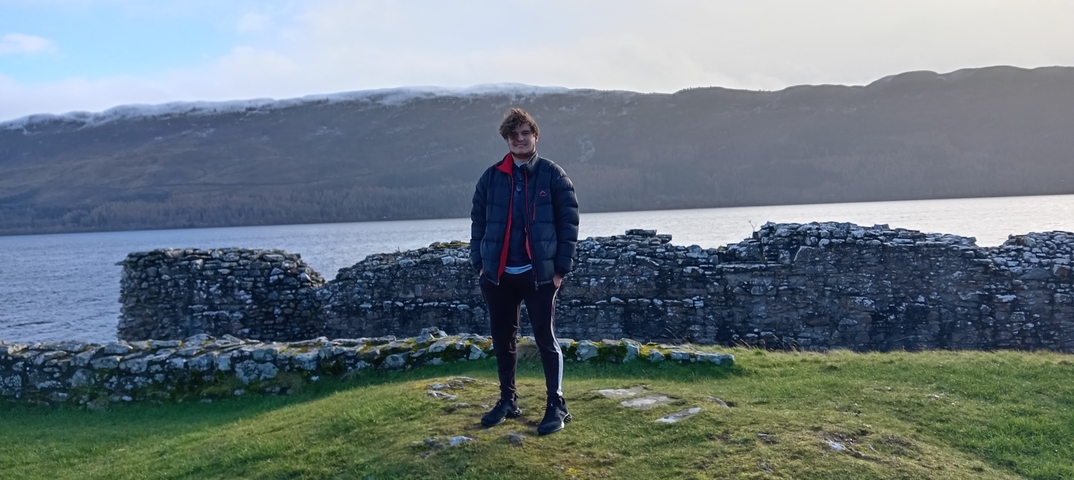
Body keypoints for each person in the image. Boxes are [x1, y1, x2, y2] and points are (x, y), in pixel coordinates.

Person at [470, 107, 580, 435]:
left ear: (535, 136)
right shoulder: (490, 178)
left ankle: (556, 405)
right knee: (503, 340)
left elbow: (569, 224)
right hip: (499, 276)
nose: (519, 139)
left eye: (525, 133)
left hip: (540, 275)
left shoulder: (552, 175)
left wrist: (560, 270)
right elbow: (478, 223)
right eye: (512, 135)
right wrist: (480, 264)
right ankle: (508, 400)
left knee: (546, 339)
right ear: (506, 139)